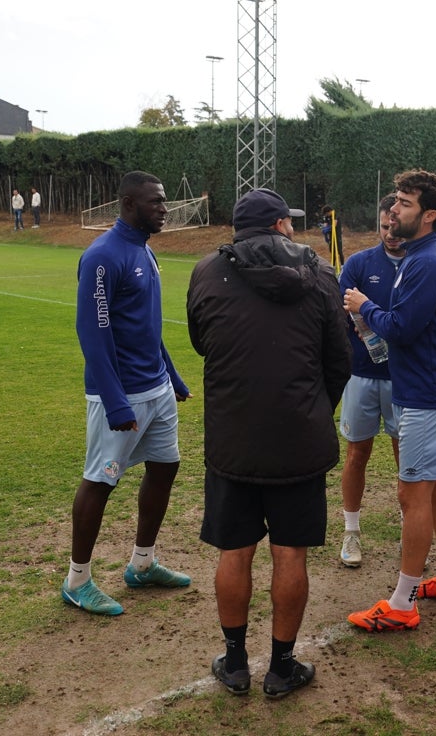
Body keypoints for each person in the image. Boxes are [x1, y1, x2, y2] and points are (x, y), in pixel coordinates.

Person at [188, 187, 350, 698]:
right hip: (298, 440)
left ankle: (236, 663)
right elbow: (339, 360)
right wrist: (313, 407)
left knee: (234, 553)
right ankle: (281, 666)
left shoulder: (205, 272)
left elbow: (202, 343)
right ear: (281, 224)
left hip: (234, 439)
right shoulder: (321, 273)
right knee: (290, 555)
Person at [61, 171, 193, 616]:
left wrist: (171, 375)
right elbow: (93, 332)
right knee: (100, 480)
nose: (164, 209)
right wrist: (115, 400)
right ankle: (77, 580)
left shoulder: (144, 251)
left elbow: (146, 326)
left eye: (164, 201)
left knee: (166, 467)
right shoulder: (102, 257)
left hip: (155, 388)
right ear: (129, 204)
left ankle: (142, 563)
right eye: (156, 202)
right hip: (119, 395)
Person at [345, 169, 436, 633]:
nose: (393, 209)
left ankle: (402, 602)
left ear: (429, 215)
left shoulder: (425, 262)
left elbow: (401, 328)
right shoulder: (421, 257)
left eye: (403, 202)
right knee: (434, 486)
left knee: (411, 494)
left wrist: (364, 307)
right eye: (395, 201)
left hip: (428, 395)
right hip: (426, 391)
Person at [336, 194, 405, 568]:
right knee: (356, 453)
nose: (390, 233)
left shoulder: (420, 264)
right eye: (384, 226)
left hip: (404, 380)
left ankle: (410, 527)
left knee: (404, 459)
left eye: (396, 226)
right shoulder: (360, 263)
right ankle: (351, 531)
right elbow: (340, 309)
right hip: (361, 375)